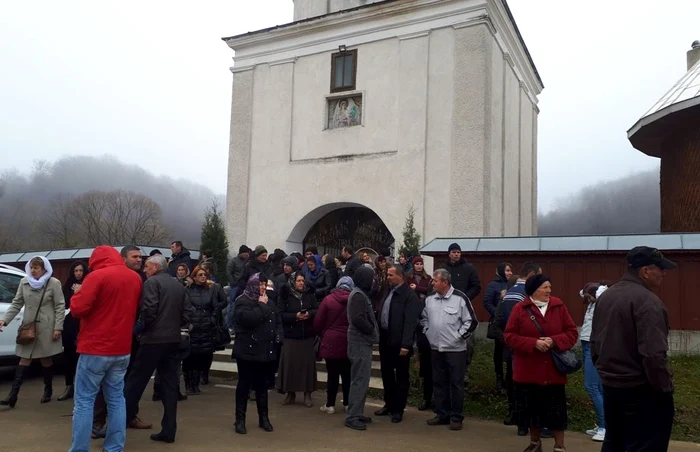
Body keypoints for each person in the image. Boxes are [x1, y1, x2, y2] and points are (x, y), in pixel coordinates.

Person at [591, 246, 676, 452]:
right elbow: (653, 355)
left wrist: (607, 375)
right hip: (643, 392)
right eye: (660, 268)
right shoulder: (648, 302)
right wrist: (664, 388)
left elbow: (595, 344)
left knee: (614, 443)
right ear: (645, 271)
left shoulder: (606, 297)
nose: (663, 273)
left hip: (612, 389)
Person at [67, 246, 142, 452]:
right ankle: (114, 447)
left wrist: (77, 294)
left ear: (95, 261)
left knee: (84, 401)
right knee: (117, 399)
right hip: (122, 348)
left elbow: (78, 309)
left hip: (95, 348)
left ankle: (80, 449)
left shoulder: (96, 276)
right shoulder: (135, 278)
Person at [504, 275, 578, 452]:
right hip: (528, 371)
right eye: (545, 287)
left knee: (556, 412)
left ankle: (559, 446)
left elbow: (572, 333)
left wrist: (553, 341)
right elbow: (509, 336)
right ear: (534, 289)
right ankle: (535, 443)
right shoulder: (520, 309)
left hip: (553, 371)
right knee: (532, 411)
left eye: (550, 287)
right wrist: (533, 343)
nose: (549, 290)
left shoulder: (558, 306)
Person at [125, 255, 191, 444]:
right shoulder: (178, 285)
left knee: (134, 385)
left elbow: (149, 311)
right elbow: (187, 313)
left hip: (153, 340)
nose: (144, 270)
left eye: (146, 266)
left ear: (155, 267)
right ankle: (169, 430)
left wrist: (138, 330)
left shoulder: (152, 283)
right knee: (170, 387)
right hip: (173, 340)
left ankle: (114, 428)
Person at [0, 256, 65, 408]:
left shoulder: (53, 283)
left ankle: (48, 389)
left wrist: (58, 328)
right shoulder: (24, 282)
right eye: (32, 267)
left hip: (46, 328)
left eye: (37, 268)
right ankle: (12, 396)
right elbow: (17, 303)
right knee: (24, 358)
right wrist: (5, 320)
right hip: (29, 328)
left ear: (44, 269)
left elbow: (60, 306)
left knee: (45, 359)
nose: (33, 270)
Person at [421, 269, 478, 431]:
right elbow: (424, 318)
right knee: (439, 383)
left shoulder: (460, 298)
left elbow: (471, 322)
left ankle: (456, 417)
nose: (432, 283)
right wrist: (427, 331)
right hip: (435, 349)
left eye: (435, 280)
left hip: (456, 350)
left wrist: (458, 337)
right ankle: (442, 414)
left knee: (456, 384)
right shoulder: (430, 299)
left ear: (445, 282)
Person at [233, 273, 279, 434]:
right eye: (259, 284)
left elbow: (275, 320)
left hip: (264, 350)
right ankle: (240, 419)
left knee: (262, 386)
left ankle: (264, 418)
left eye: (264, 284)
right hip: (246, 350)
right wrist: (262, 306)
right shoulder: (242, 301)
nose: (262, 287)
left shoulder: (268, 301)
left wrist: (277, 336)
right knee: (244, 385)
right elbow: (249, 319)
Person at [375, 265, 421, 423]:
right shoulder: (388, 290)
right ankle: (389, 404)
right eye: (387, 274)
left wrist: (406, 345)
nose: (387, 277)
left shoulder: (409, 296)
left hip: (400, 342)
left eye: (390, 275)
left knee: (401, 376)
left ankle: (398, 409)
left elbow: (410, 323)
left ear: (400, 277)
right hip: (385, 339)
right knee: (386, 373)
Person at [182, 266, 226, 395]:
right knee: (190, 358)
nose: (203, 277)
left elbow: (215, 307)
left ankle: (196, 385)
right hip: (193, 328)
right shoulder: (188, 290)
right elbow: (185, 306)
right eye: (200, 275)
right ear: (194, 277)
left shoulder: (210, 291)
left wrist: (212, 319)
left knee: (201, 357)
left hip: (206, 328)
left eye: (204, 275)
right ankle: (189, 385)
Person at [344, 266, 379, 431]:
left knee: (362, 380)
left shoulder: (360, 293)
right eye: (371, 278)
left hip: (361, 342)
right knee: (359, 380)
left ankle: (358, 412)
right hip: (359, 342)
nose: (373, 281)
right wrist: (371, 329)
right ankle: (352, 416)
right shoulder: (358, 295)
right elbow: (358, 319)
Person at [277, 272, 318, 407]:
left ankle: (307, 394)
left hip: (306, 336)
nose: (301, 283)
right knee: (290, 365)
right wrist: (295, 316)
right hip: (291, 336)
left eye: (302, 280)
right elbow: (281, 314)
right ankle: (290, 393)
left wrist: (309, 314)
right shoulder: (285, 295)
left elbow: (316, 310)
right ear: (293, 282)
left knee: (307, 366)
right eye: (298, 280)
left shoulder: (309, 294)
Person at [313, 277, 354, 414]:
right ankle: (348, 403)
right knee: (347, 374)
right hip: (348, 340)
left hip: (331, 341)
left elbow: (318, 321)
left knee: (332, 374)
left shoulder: (328, 299)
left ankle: (330, 405)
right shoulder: (354, 300)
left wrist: (323, 333)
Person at [579, 282, 608, 442]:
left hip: (593, 345)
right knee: (598, 387)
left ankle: (605, 427)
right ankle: (603, 424)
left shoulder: (603, 300)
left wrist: (598, 290)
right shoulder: (592, 302)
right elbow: (582, 292)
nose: (588, 300)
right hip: (585, 344)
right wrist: (589, 289)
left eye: (589, 297)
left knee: (590, 386)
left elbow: (603, 292)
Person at [59, 260, 89, 402]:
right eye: (76, 271)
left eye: (81, 271)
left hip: (83, 325)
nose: (78, 273)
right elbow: (63, 304)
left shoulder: (89, 284)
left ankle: (81, 387)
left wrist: (81, 291)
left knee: (81, 358)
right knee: (68, 356)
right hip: (69, 324)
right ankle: (69, 385)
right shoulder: (67, 286)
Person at [405, 256, 433, 411]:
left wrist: (418, 289)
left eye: (421, 263)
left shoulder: (427, 279)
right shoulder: (408, 277)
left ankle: (431, 398)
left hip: (425, 317)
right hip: (412, 315)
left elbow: (429, 290)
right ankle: (425, 397)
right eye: (417, 263)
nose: (419, 266)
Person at [484, 262, 513, 390]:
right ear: (501, 271)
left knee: (511, 351)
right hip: (499, 324)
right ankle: (499, 378)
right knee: (499, 352)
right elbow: (487, 302)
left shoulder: (512, 284)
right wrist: (497, 313)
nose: (510, 273)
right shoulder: (493, 285)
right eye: (507, 270)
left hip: (512, 323)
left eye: (511, 270)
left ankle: (509, 379)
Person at [226, 245, 251, 330]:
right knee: (232, 306)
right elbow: (229, 273)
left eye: (248, 253)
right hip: (235, 286)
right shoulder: (233, 261)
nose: (247, 254)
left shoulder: (248, 261)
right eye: (245, 253)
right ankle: (229, 326)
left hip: (244, 286)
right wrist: (233, 283)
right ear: (241, 253)